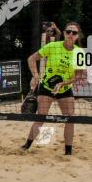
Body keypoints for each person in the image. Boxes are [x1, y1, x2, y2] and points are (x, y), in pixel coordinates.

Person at [21, 21, 87, 155]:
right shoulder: (53, 46)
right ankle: (26, 145)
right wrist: (36, 76)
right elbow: (31, 59)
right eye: (68, 31)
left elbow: (79, 76)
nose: (70, 34)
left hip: (64, 88)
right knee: (41, 118)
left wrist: (63, 84)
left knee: (70, 119)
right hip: (46, 87)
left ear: (77, 36)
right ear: (63, 33)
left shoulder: (79, 53)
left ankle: (68, 152)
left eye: (74, 32)